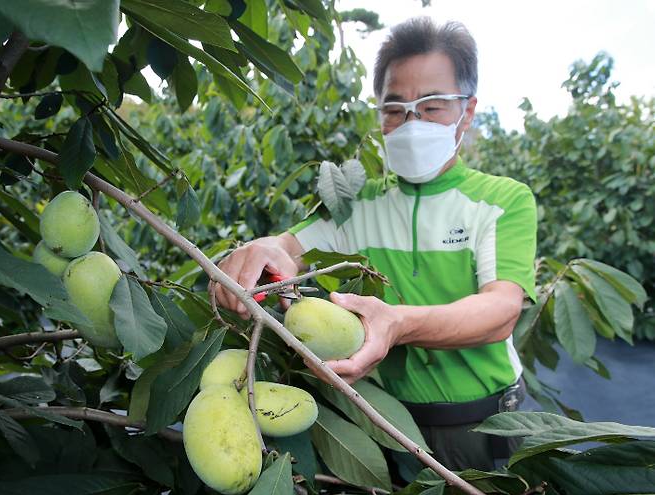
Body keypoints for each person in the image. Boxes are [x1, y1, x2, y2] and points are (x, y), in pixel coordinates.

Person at [214, 17, 536, 471]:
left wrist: (398, 323)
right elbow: (289, 246)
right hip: (385, 420)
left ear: (468, 110)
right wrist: (260, 250)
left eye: (432, 106)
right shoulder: (357, 203)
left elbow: (500, 310)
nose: (411, 122)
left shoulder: (502, 200)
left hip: (484, 423)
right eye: (395, 108)